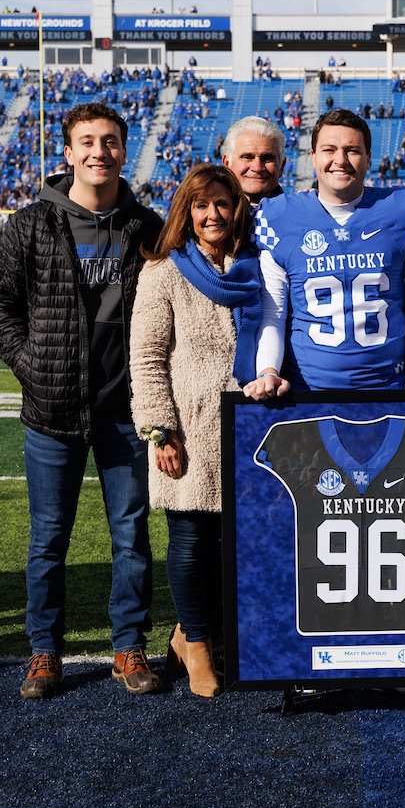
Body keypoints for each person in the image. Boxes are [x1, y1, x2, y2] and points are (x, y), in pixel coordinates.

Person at [0, 104, 164, 700]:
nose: (99, 152)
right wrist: (29, 365)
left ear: (124, 148)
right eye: (86, 142)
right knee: (48, 540)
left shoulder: (146, 226)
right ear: (67, 153)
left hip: (124, 409)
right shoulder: (32, 223)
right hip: (52, 411)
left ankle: (128, 644)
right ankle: (43, 652)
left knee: (132, 536)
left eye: (110, 142)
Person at [130, 164, 261, 697]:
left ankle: (194, 635)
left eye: (222, 204)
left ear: (236, 210)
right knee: (188, 540)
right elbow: (146, 355)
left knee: (233, 542)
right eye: (201, 205)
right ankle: (199, 647)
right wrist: (160, 428)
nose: (212, 214)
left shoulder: (254, 266)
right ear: (186, 210)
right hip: (188, 424)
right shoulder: (163, 271)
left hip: (246, 423)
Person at [244, 108, 405, 399]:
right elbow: (272, 313)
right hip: (305, 394)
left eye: (352, 150)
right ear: (313, 156)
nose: (340, 160)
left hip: (388, 390)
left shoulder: (403, 211)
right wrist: (268, 371)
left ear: (368, 158)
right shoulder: (279, 217)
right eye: (329, 149)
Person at [221, 116, 285, 202]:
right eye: (247, 157)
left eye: (267, 158)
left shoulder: (300, 213)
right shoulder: (208, 214)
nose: (257, 168)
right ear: (227, 164)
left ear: (281, 166)